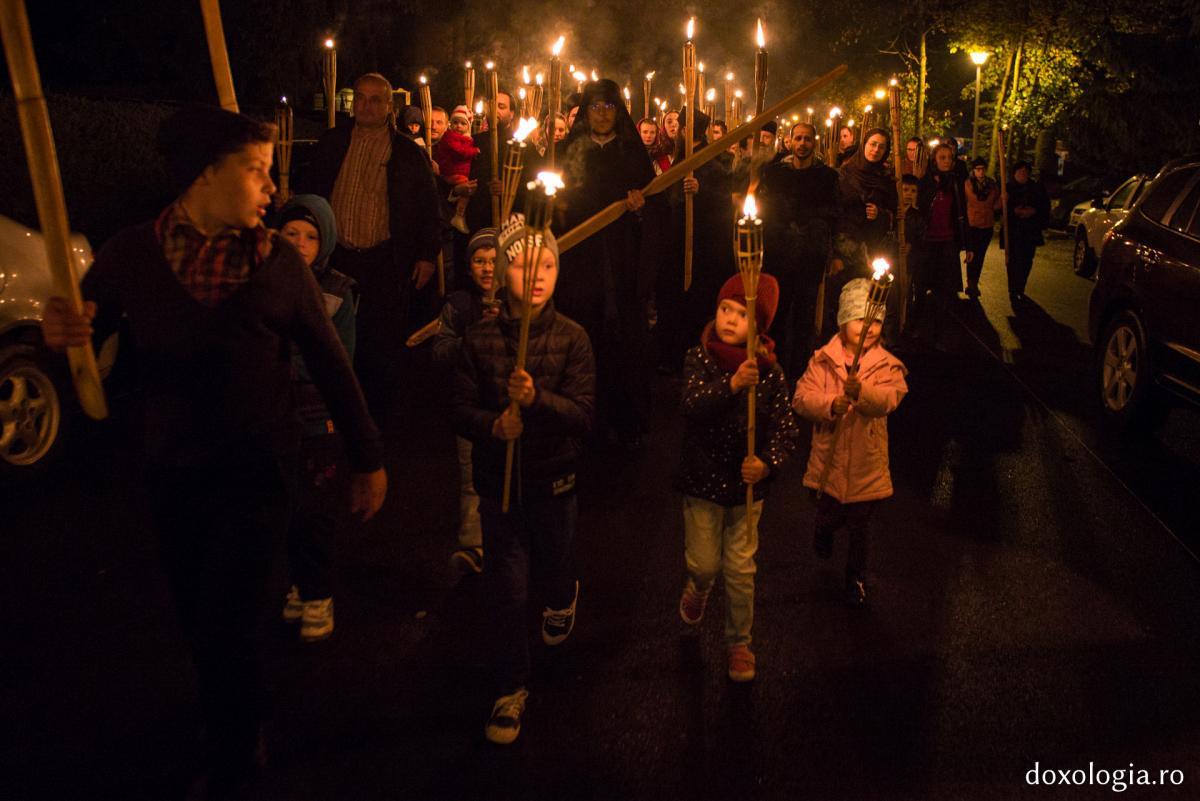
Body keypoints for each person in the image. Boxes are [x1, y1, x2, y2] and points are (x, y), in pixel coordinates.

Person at [39, 104, 387, 794]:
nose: (269, 186)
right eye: (255, 171)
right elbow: (83, 337)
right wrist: (63, 332)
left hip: (258, 469)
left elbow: (329, 362)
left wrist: (368, 455)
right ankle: (225, 712)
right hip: (173, 467)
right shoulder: (131, 253)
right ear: (203, 176)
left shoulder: (278, 262)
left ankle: (235, 750)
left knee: (231, 613)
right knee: (198, 612)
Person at [450, 214, 596, 745]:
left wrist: (538, 401)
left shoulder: (574, 338)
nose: (538, 273)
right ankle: (511, 686)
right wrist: (494, 424)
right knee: (508, 589)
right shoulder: (480, 338)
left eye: (550, 263)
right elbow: (459, 408)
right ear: (501, 273)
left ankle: (562, 597)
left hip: (554, 481)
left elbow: (582, 415)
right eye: (523, 262)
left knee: (554, 565)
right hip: (500, 486)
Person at [293, 72, 441, 422]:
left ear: (389, 106)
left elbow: (427, 206)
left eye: (376, 99)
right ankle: (335, 414)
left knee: (379, 343)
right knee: (335, 339)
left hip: (384, 261)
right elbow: (312, 189)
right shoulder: (332, 142)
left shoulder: (405, 152)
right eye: (360, 97)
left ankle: (376, 418)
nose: (366, 105)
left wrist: (425, 256)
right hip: (337, 258)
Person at [677, 273, 798, 682]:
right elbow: (692, 404)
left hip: (747, 489)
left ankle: (738, 642)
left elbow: (786, 429)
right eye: (725, 308)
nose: (729, 318)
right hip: (702, 483)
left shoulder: (771, 373)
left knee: (741, 568)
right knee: (706, 563)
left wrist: (766, 463)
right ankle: (698, 586)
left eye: (741, 313)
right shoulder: (700, 358)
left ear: (759, 327)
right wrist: (730, 385)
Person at [557, 79, 663, 447]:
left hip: (620, 263)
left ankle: (626, 419)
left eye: (608, 108)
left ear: (618, 113)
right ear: (585, 114)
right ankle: (583, 418)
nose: (602, 114)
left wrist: (639, 208)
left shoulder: (632, 154)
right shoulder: (568, 150)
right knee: (583, 335)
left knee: (623, 340)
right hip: (579, 264)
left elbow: (655, 209)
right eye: (595, 108)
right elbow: (554, 204)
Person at [793, 278, 907, 606]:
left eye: (874, 321)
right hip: (829, 460)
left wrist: (864, 394)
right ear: (842, 321)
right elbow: (802, 398)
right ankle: (823, 531)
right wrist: (830, 405)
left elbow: (890, 398)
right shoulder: (822, 361)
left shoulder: (886, 364)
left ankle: (855, 575)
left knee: (861, 526)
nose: (868, 327)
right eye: (859, 319)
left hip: (866, 466)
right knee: (828, 512)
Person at [275, 194, 358, 644]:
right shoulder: (264, 281)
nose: (301, 243)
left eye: (310, 236)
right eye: (291, 234)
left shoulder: (338, 292)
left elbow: (338, 359)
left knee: (317, 508)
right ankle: (300, 582)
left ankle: (319, 591)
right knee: (285, 505)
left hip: (319, 416)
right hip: (276, 414)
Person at [432, 228, 500, 578]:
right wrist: (472, 339)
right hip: (471, 405)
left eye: (494, 260)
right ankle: (474, 546)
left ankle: (508, 544)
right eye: (479, 260)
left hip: (506, 407)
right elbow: (441, 349)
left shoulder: (518, 301)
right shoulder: (458, 304)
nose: (488, 268)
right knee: (472, 477)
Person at [656, 106, 736, 374]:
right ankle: (672, 357)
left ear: (693, 128)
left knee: (696, 305)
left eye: (682, 124)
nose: (677, 129)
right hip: (676, 245)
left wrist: (702, 191)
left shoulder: (715, 158)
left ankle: (696, 359)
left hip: (702, 250)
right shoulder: (681, 155)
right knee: (674, 302)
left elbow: (726, 202)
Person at [758, 121, 840, 381]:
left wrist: (832, 253)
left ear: (814, 143)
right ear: (789, 142)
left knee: (805, 320)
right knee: (778, 317)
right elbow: (766, 211)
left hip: (809, 258)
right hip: (779, 257)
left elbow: (833, 217)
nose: (802, 143)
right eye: (798, 138)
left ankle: (800, 376)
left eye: (807, 139)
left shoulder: (827, 177)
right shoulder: (774, 174)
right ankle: (775, 371)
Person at [831, 128, 897, 336]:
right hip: (845, 247)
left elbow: (895, 214)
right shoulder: (845, 172)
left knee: (867, 302)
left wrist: (880, 214)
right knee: (843, 299)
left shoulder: (887, 179)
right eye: (872, 144)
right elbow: (833, 210)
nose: (876, 150)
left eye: (881, 146)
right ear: (864, 145)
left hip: (873, 250)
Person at [913, 143, 971, 344]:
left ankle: (940, 331)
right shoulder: (925, 183)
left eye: (949, 158)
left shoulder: (956, 183)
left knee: (945, 290)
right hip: (926, 241)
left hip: (948, 241)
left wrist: (967, 244)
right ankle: (917, 328)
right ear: (934, 160)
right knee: (920, 286)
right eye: (942, 157)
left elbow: (963, 214)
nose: (946, 161)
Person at [1004, 160, 1050, 303]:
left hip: (1029, 231)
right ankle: (1013, 288)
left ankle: (1021, 286)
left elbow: (1044, 206)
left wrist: (1033, 211)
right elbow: (1002, 209)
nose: (1023, 174)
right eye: (1020, 172)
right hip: (1013, 231)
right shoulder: (1008, 188)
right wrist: (1013, 210)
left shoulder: (1036, 188)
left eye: (1025, 172)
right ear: (1014, 173)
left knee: (1026, 260)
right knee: (1012, 260)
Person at [435, 106, 481, 235]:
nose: (458, 126)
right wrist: (474, 151)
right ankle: (459, 215)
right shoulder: (450, 137)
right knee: (466, 185)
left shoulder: (465, 138)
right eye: (455, 122)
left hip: (458, 172)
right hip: (453, 173)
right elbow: (459, 151)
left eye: (463, 123)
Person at [963, 156, 1001, 297]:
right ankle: (970, 283)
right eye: (978, 169)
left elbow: (996, 204)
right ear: (974, 171)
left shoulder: (992, 185)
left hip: (986, 225)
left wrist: (1001, 201)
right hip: (972, 224)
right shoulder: (968, 184)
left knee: (980, 255)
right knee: (971, 254)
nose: (981, 172)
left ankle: (975, 281)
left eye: (983, 169)